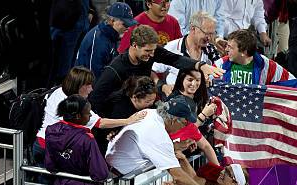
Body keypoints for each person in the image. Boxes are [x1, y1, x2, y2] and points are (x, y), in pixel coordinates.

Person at [106, 96, 219, 185]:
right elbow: (178, 176)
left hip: (117, 175)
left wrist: (174, 147)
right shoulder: (157, 133)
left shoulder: (149, 113)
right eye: (184, 123)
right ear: (173, 120)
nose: (184, 127)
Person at [91, 25, 224, 117]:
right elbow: (96, 100)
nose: (151, 55)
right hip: (121, 114)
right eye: (147, 51)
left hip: (145, 109)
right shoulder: (116, 69)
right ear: (134, 45)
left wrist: (200, 66)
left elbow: (175, 59)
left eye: (153, 50)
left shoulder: (151, 52)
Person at [152, 12, 222, 86]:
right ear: (193, 29)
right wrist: (163, 87)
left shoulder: (212, 50)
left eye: (212, 34)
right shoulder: (171, 47)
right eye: (206, 33)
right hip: (176, 96)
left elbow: (218, 75)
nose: (209, 38)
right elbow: (151, 70)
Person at [167, 68, 219, 165]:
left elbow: (204, 145)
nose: (194, 83)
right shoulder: (174, 101)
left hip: (193, 150)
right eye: (190, 80)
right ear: (182, 79)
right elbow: (179, 131)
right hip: (175, 155)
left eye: (198, 80)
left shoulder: (199, 97)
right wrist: (203, 115)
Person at [76, 2, 139, 79]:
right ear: (112, 21)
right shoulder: (98, 41)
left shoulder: (112, 35)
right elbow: (92, 76)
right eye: (125, 24)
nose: (128, 28)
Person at [118, 0, 183, 52]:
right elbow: (123, 52)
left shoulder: (173, 22)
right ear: (149, 4)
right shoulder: (135, 24)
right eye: (160, 3)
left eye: (167, 1)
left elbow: (179, 47)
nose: (165, 6)